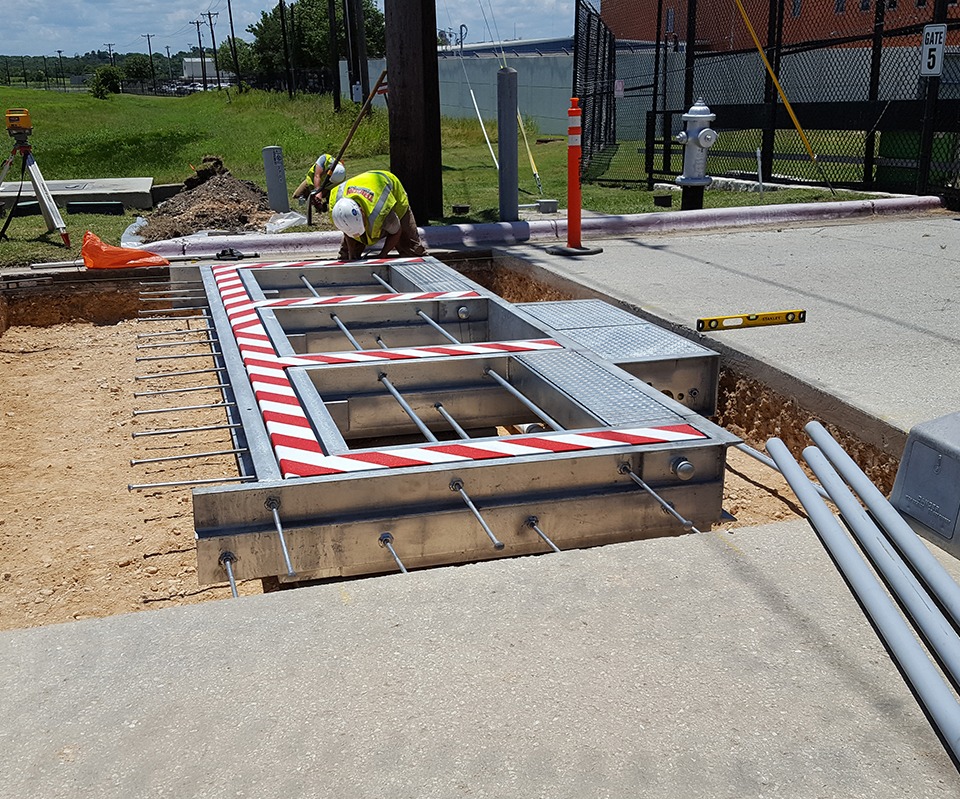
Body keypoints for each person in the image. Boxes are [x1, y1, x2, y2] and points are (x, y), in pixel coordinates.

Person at [330, 170, 427, 260]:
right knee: (347, 257)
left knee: (410, 249)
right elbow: (348, 232)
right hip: (365, 184)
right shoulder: (338, 209)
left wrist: (382, 255)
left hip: (390, 187)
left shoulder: (380, 210)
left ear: (361, 211)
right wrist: (351, 254)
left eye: (362, 224)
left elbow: (396, 232)